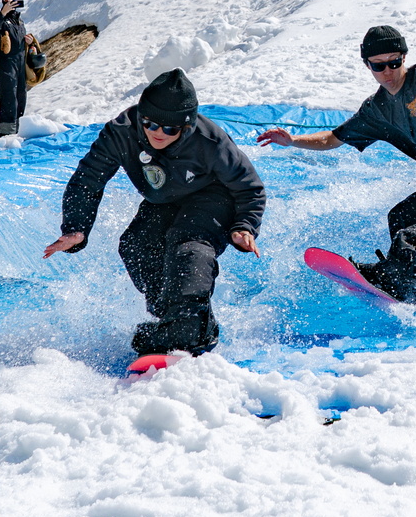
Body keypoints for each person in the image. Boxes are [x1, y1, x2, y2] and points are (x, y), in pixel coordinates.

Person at [256, 4, 416, 304]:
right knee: (403, 217)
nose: (388, 72)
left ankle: (400, 275)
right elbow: (333, 138)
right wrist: (293, 141)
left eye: (394, 63)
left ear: (404, 58)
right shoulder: (376, 110)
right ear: (368, 65)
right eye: (378, 66)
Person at [44, 69, 266, 356]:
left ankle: (190, 327)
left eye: (170, 129)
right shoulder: (121, 132)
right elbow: (89, 178)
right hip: (164, 199)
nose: (157, 133)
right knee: (136, 245)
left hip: (214, 195)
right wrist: (76, 228)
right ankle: (176, 317)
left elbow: (250, 187)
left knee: (189, 242)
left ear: (185, 127)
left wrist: (245, 226)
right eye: (149, 123)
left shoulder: (210, 142)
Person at [0, 0, 27, 137]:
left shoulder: (19, 20)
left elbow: (18, 41)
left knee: (21, 94)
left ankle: (18, 129)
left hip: (20, 61)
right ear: (3, 0)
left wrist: (27, 40)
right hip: (7, 63)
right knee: (9, 96)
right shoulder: (0, 19)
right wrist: (2, 13)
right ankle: (5, 133)